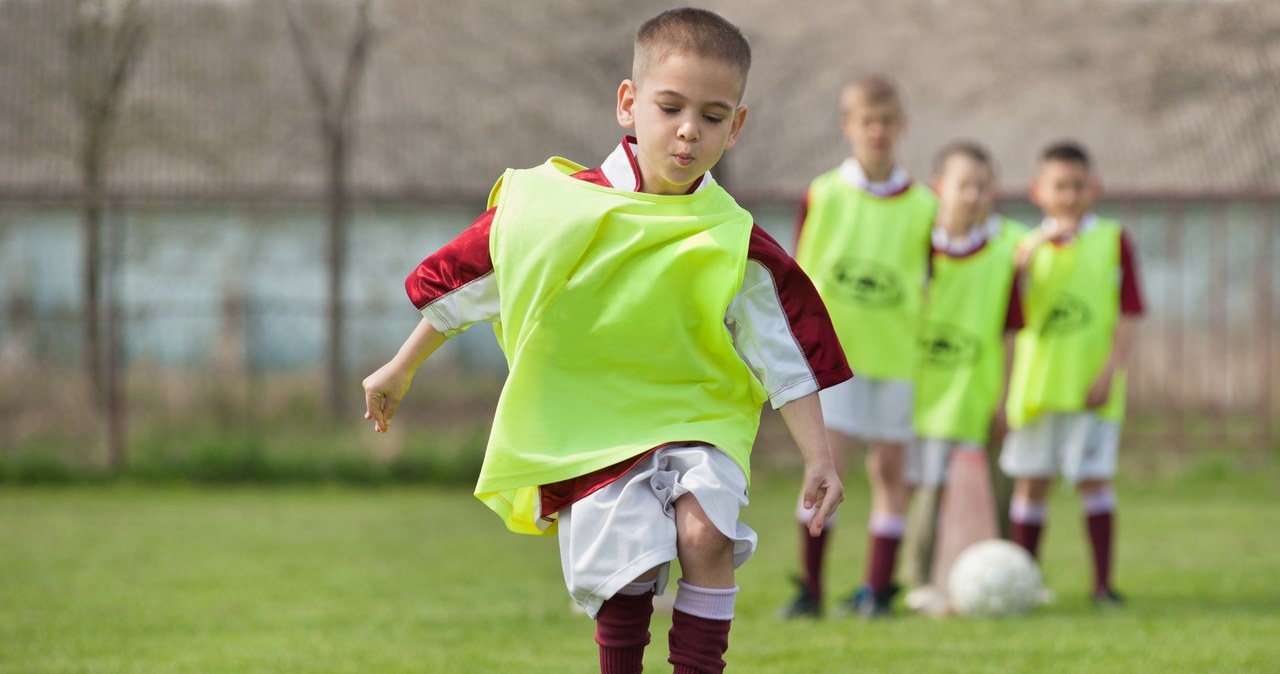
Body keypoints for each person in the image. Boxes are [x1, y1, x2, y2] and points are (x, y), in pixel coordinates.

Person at [361, 8, 850, 673]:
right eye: (670, 107)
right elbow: (477, 286)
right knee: (627, 575)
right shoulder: (550, 212)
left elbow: (786, 356)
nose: (687, 131)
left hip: (699, 415)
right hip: (589, 426)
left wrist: (818, 456)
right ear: (629, 103)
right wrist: (399, 368)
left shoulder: (733, 238)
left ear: (735, 127)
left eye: (711, 116)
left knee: (706, 533)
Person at [782, 76, 936, 619]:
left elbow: (932, 281)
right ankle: (812, 591)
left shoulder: (924, 204)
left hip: (896, 358)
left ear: (902, 126)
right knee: (825, 471)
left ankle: (875, 591)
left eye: (887, 121)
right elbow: (798, 275)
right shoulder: (823, 193)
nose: (877, 131)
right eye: (866, 121)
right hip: (832, 361)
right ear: (848, 126)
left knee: (891, 474)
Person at [1000, 141, 1145, 605]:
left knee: (1094, 480)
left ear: (1093, 188)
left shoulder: (1113, 239)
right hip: (1038, 388)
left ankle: (1102, 586)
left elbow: (1128, 312)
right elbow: (1006, 317)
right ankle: (1026, 584)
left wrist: (1111, 371)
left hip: (1092, 387)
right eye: (1059, 186)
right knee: (1032, 481)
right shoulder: (1021, 247)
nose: (1068, 196)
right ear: (1038, 191)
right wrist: (1020, 267)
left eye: (1077, 186)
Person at [903, 142, 1026, 615]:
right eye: (964, 185)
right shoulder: (916, 249)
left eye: (983, 186)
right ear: (939, 188)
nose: (974, 196)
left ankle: (1019, 574)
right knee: (923, 489)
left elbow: (1012, 332)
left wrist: (1007, 396)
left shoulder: (1003, 257)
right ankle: (915, 584)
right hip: (921, 392)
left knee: (1005, 485)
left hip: (980, 391)